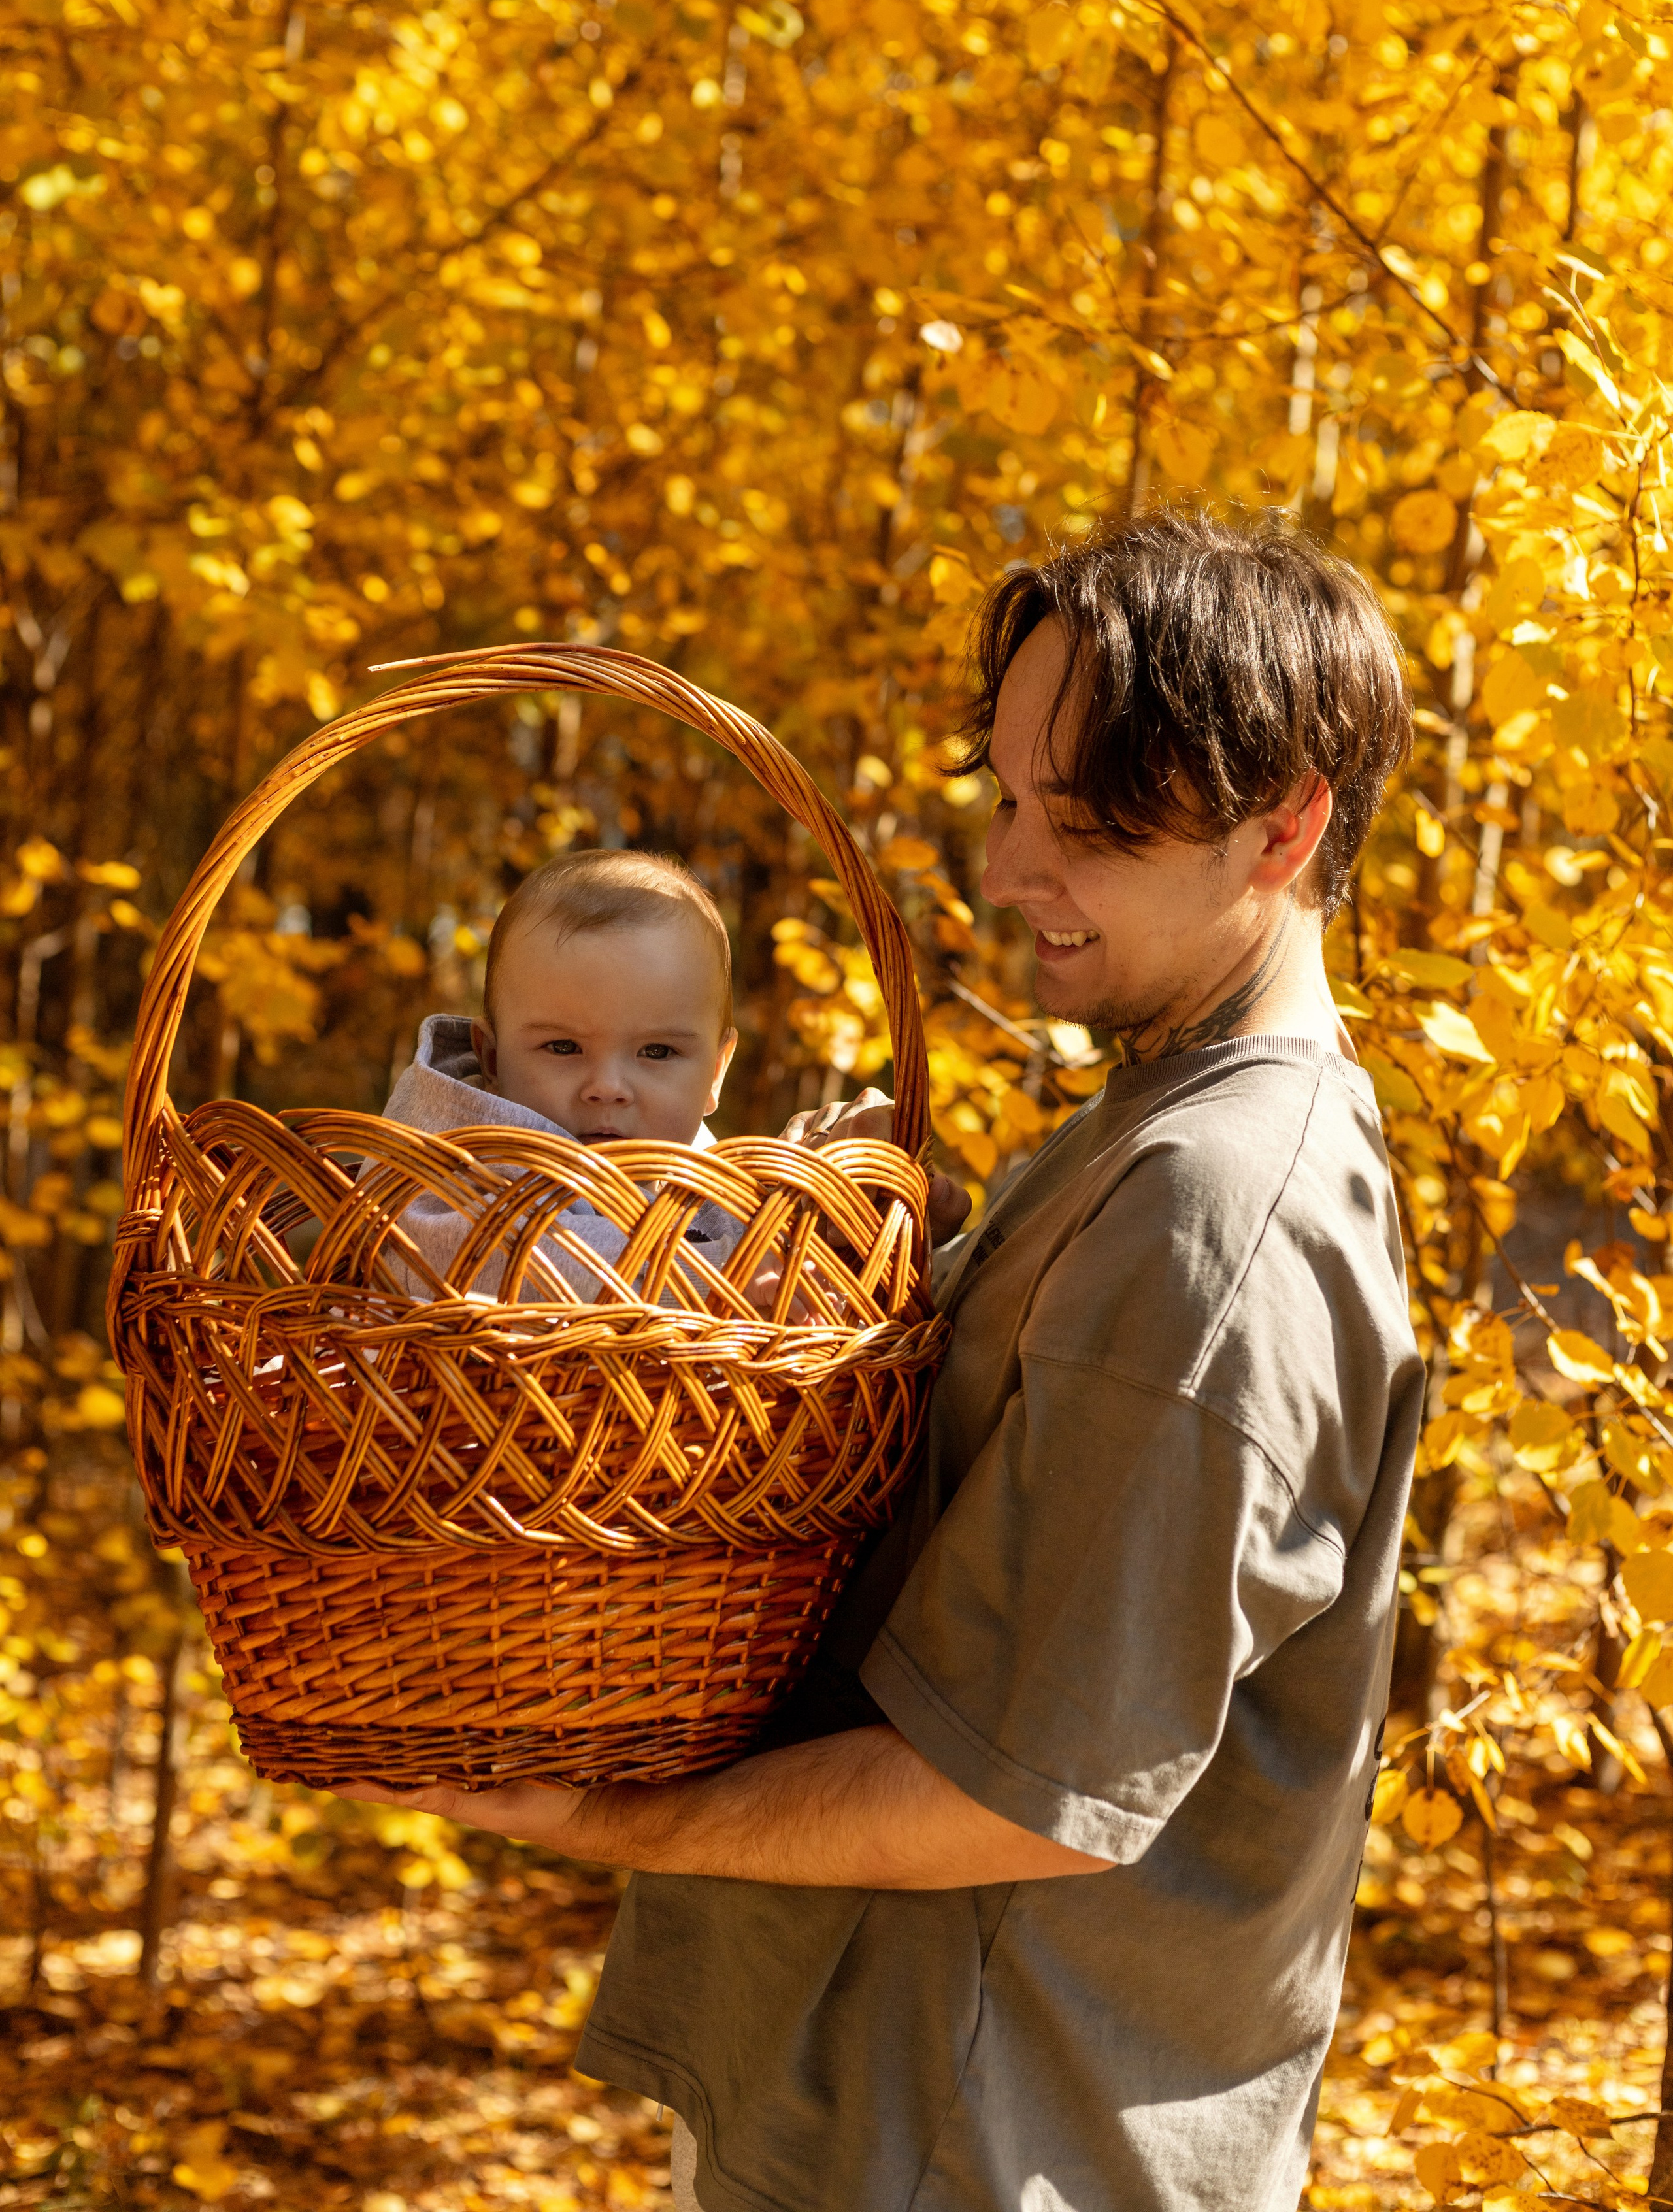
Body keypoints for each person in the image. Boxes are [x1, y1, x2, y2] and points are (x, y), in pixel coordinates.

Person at [342, 506, 1425, 2212]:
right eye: (1008, 800)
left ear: (1283, 827)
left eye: (1085, 826)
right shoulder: (1147, 1132)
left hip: (985, 2144)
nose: (1004, 872)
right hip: (885, 2106)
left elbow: (1029, 1796)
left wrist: (603, 1817)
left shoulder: (1218, 1211)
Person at [373, 847, 747, 1300]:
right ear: (492, 1060)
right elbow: (493, 1255)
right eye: (564, 1047)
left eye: (657, 1051)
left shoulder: (712, 1176)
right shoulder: (460, 1147)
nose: (607, 1087)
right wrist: (719, 1275)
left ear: (714, 1075)